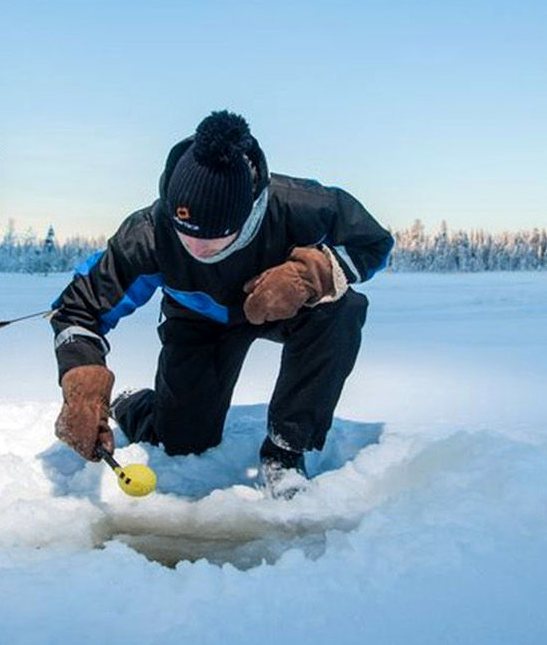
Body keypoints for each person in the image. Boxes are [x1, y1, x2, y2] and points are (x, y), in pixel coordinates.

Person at [50, 110, 392, 497]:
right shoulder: (148, 234)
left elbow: (374, 243)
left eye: (216, 236)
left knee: (342, 310)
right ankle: (138, 406)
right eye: (185, 232)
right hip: (199, 321)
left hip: (284, 308)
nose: (196, 248)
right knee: (182, 442)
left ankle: (286, 449)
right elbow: (77, 310)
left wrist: (308, 275)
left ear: (248, 214)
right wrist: (81, 382)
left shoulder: (301, 205)